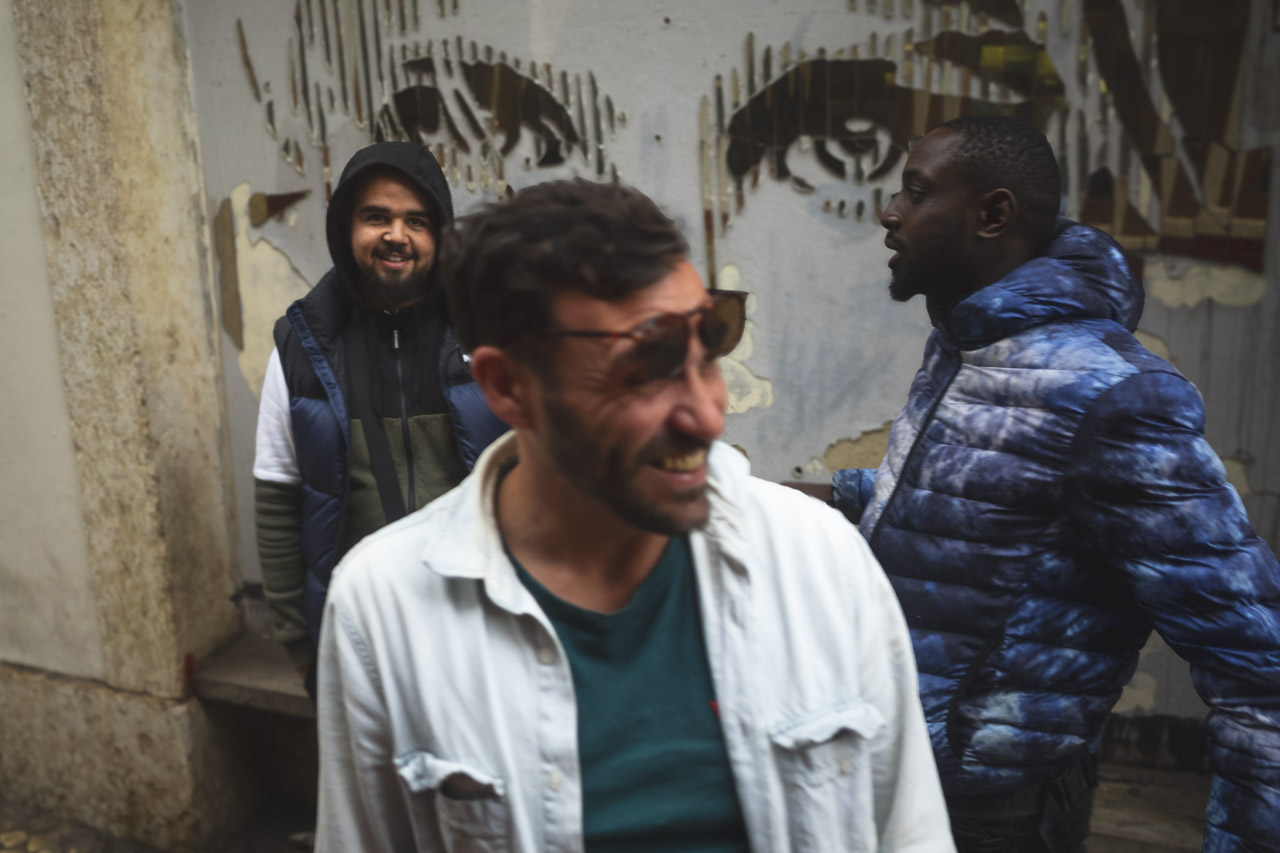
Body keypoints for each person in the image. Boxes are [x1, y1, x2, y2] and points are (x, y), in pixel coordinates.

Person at [314, 178, 954, 851]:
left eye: (711, 342)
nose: (707, 413)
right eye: (646, 366)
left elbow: (909, 829)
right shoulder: (384, 606)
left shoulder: (818, 559)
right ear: (508, 387)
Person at [834, 115, 1280, 852]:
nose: (890, 212)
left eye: (914, 192)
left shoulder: (1113, 394)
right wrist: (820, 499)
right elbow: (991, 508)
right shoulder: (971, 342)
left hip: (992, 815)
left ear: (993, 215)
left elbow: (1257, 661)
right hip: (903, 783)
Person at [253, 142, 506, 692]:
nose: (397, 235)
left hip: (480, 632)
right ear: (347, 228)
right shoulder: (302, 349)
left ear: (440, 234)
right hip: (360, 639)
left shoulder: (489, 335)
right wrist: (300, 643)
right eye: (377, 218)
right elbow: (277, 500)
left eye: (416, 220)